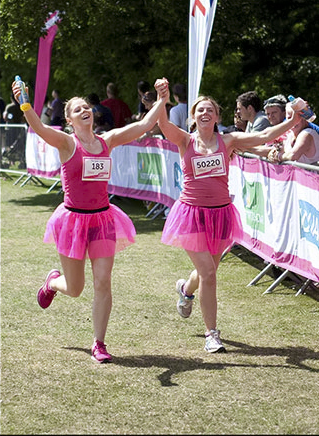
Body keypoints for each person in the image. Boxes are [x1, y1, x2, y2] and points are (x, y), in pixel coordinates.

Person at [18, 77, 167, 361]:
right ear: (70, 120)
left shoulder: (106, 140)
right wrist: (25, 104)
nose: (84, 111)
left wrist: (161, 100)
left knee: (103, 281)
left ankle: (99, 343)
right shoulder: (65, 142)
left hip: (102, 220)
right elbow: (37, 127)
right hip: (73, 221)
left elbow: (143, 126)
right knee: (75, 289)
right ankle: (51, 283)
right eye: (77, 110)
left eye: (86, 107)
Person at [155, 81, 306, 352]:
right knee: (209, 273)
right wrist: (162, 98)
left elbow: (265, 136)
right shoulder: (185, 140)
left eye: (210, 110)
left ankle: (185, 290)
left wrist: (293, 119)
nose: (205, 114)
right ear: (193, 116)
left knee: (206, 272)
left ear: (217, 116)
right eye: (200, 110)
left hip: (221, 214)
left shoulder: (228, 141)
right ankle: (211, 334)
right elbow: (164, 125)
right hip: (192, 215)